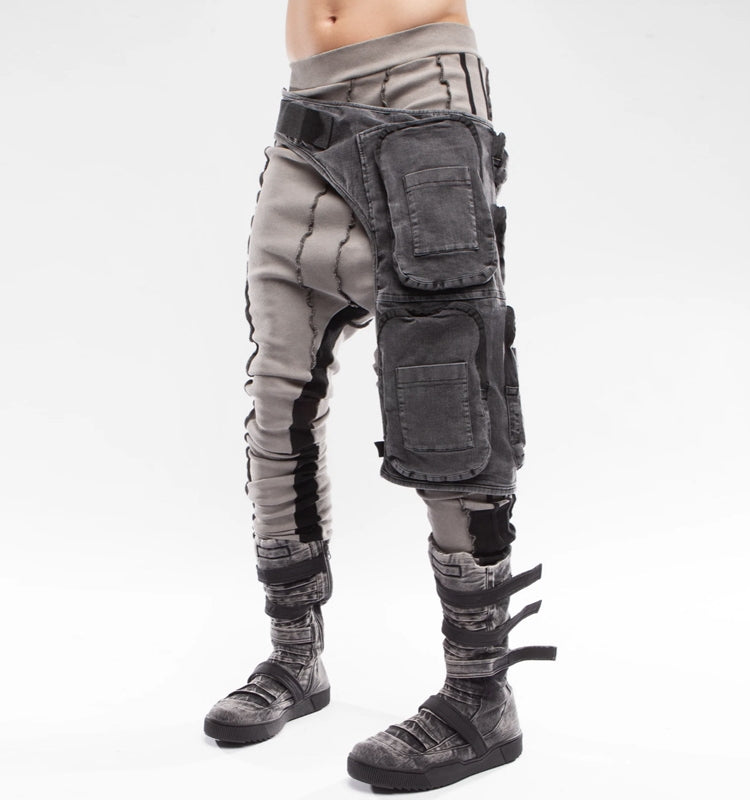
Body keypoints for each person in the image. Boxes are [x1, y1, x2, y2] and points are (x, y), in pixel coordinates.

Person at [203, 0, 557, 790]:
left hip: (419, 98)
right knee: (277, 400)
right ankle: (295, 659)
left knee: (448, 401)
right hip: (304, 122)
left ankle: (479, 696)